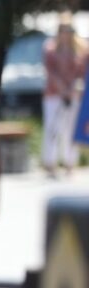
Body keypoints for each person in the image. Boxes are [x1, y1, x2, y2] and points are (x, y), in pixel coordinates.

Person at [42, 13, 88, 177]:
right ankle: (50, 163)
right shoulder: (50, 48)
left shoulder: (82, 50)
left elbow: (82, 74)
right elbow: (50, 72)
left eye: (69, 30)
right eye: (63, 29)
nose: (66, 33)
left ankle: (70, 163)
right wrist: (62, 89)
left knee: (70, 129)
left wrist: (73, 89)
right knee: (52, 128)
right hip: (54, 94)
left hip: (74, 94)